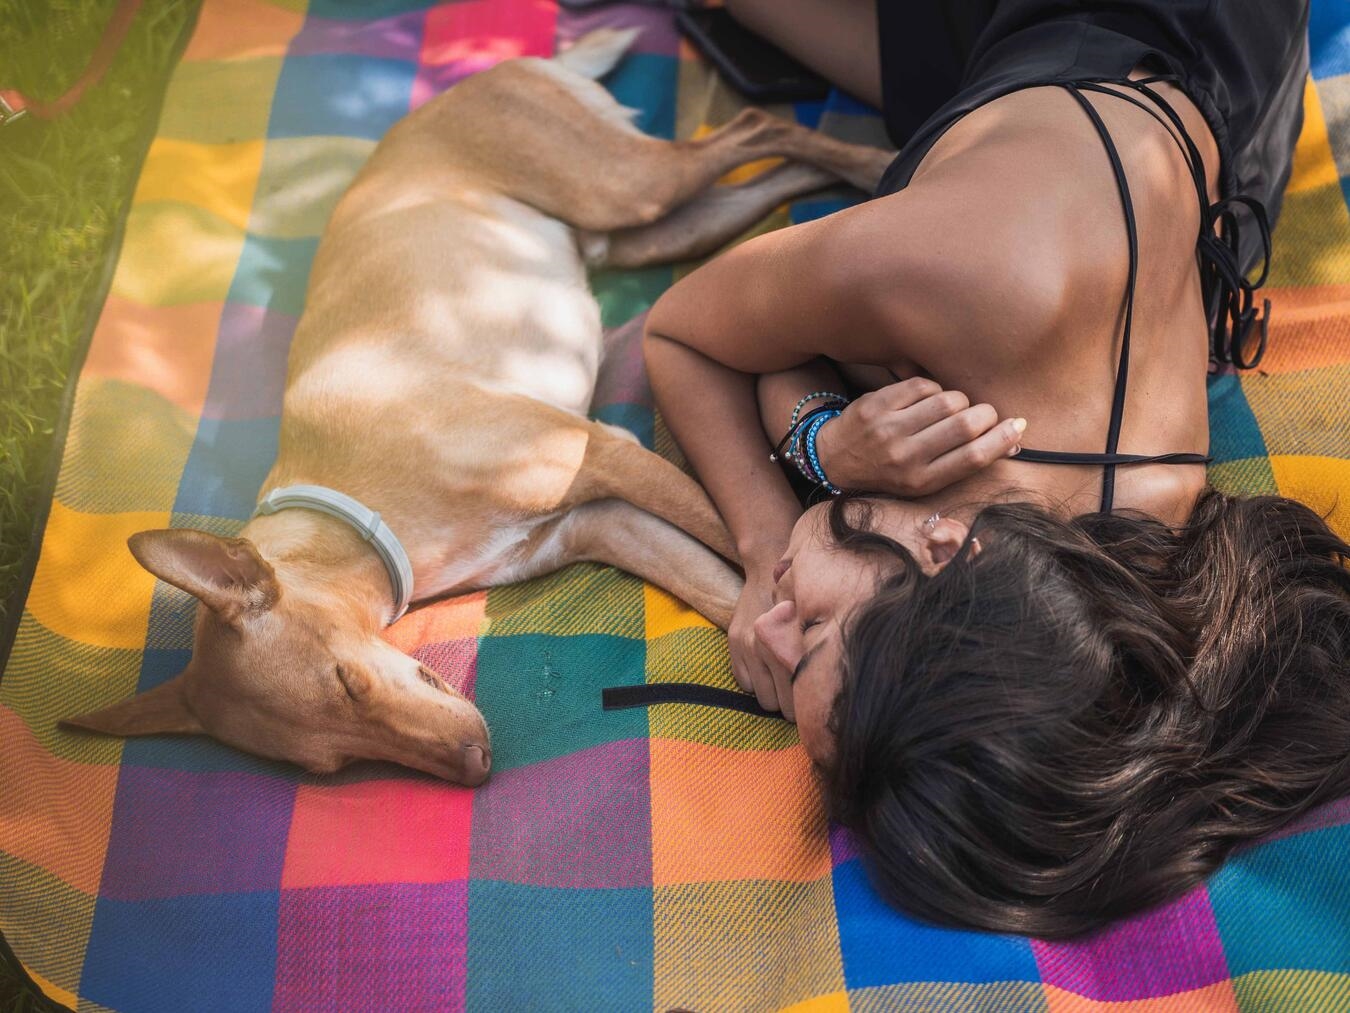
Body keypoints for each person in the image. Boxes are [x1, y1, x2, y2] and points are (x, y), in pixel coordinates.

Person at [644, 0, 1350, 938]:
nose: (766, 624)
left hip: (1196, 104)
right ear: (946, 551)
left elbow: (783, 358)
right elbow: (684, 333)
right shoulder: (959, 276)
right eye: (808, 625)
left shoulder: (1100, 561)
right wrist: (767, 530)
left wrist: (826, 442)